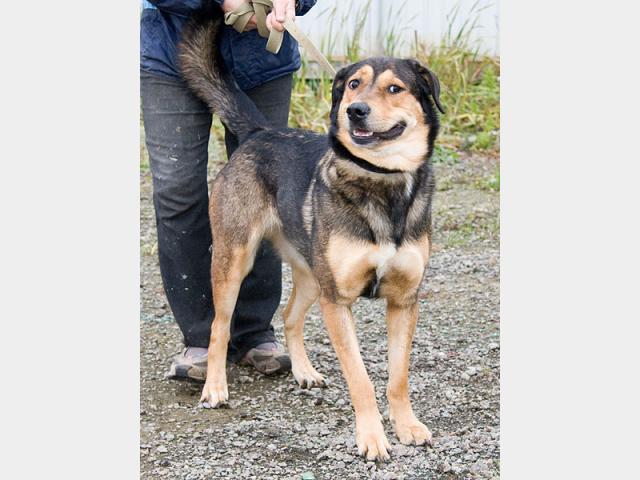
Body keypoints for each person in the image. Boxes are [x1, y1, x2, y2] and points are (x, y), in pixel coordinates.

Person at [140, 0, 317, 381]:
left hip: (264, 63)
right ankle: (202, 338)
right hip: (172, 54)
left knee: (270, 192)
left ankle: (254, 332)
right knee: (177, 191)